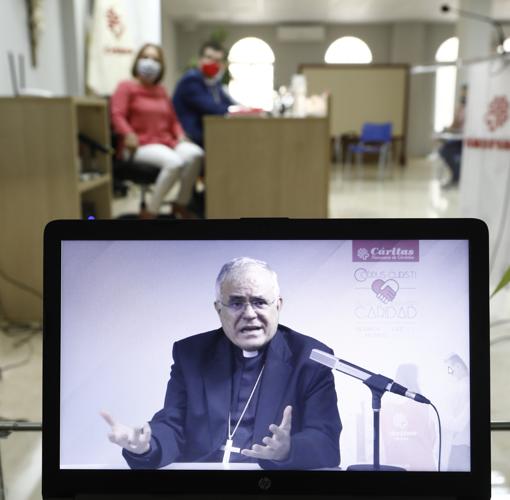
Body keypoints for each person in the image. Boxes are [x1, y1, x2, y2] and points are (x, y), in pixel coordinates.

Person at [101, 257, 341, 469]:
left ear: (277, 306)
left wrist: (288, 450)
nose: (249, 314)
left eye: (259, 302)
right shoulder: (191, 354)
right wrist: (147, 445)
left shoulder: (310, 357)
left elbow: (326, 441)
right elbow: (173, 426)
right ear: (219, 309)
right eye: (236, 303)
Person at [110, 43, 203, 218]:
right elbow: (117, 114)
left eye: (155, 59)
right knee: (175, 162)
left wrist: (181, 136)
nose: (149, 63)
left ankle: (180, 204)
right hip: (138, 145)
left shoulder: (161, 91)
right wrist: (127, 133)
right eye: (145, 57)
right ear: (137, 61)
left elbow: (172, 119)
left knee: (195, 154)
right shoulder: (126, 87)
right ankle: (151, 212)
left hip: (165, 142)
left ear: (161, 66)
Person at [172, 40, 235, 148]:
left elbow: (228, 105)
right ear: (200, 60)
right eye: (209, 58)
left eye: (217, 60)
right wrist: (231, 110)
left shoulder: (214, 83)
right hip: (191, 137)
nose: (213, 63)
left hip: (208, 135)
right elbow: (212, 108)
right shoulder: (191, 80)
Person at [438, 84, 467, 190]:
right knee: (444, 151)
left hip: (467, 141)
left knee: (452, 153)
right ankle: (456, 176)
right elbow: (455, 125)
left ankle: (458, 177)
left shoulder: (474, 108)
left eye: (465, 92)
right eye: (462, 92)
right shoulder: (461, 108)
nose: (463, 94)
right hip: (458, 139)